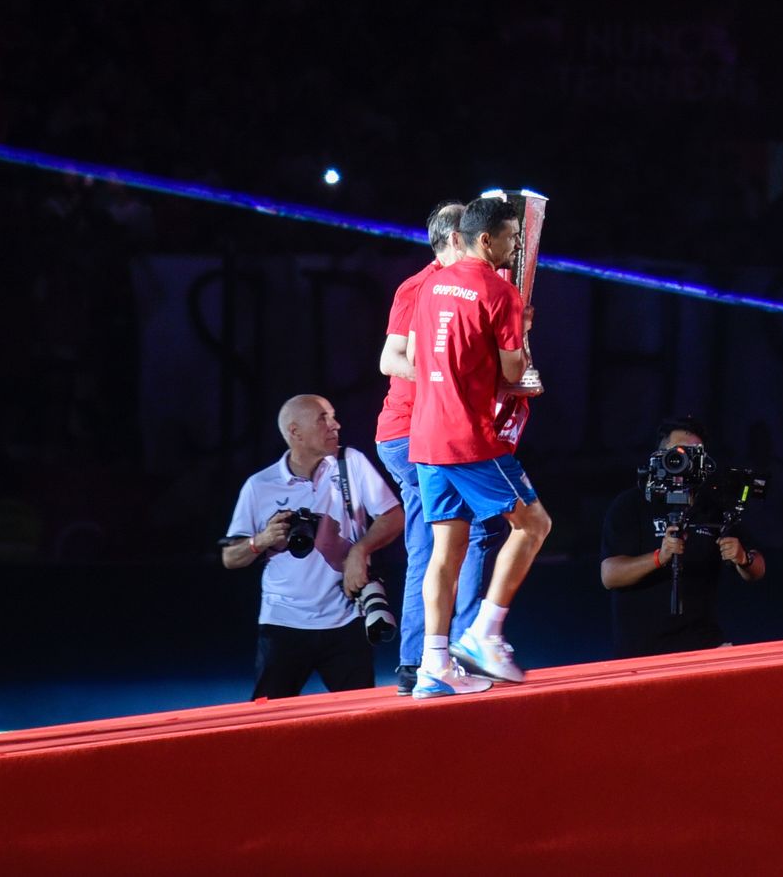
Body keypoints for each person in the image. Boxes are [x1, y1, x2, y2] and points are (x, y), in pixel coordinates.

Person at [405, 196, 553, 698]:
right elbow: (513, 372)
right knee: (534, 525)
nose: (517, 247)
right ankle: (484, 635)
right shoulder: (499, 292)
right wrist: (521, 337)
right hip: (468, 437)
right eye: (511, 237)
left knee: (446, 550)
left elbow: (422, 356)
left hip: (425, 436)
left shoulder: (429, 286)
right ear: (486, 239)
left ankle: (433, 666)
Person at [375, 201, 507, 696]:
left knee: (431, 542)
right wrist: (447, 379)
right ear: (457, 239)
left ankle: (419, 661)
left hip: (426, 430)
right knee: (471, 530)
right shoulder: (422, 286)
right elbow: (391, 358)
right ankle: (462, 650)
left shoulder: (468, 287)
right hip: (414, 432)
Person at [222, 394, 403, 699]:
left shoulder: (351, 463)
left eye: (333, 416)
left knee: (362, 716)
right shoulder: (259, 485)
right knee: (272, 718)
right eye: (323, 418)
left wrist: (360, 550)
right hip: (283, 622)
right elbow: (230, 557)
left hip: (346, 619)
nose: (336, 425)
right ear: (295, 432)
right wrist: (263, 540)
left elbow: (393, 516)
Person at [599, 416, 766, 658]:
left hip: (704, 647)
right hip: (641, 653)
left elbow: (758, 568)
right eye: (678, 453)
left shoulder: (713, 507)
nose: (685, 461)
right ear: (660, 456)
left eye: (694, 454)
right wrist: (659, 557)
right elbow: (610, 575)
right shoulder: (631, 504)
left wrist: (743, 558)